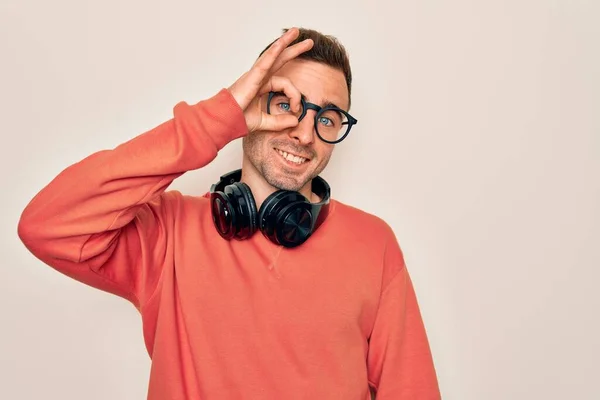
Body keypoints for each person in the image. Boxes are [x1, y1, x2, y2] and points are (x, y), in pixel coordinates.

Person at [17, 27, 441, 399]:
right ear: (254, 103)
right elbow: (46, 225)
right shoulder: (168, 233)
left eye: (328, 118)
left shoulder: (373, 243)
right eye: (286, 104)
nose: (305, 133)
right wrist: (218, 118)